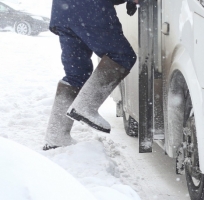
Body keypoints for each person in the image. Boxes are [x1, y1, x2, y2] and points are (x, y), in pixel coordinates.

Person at [43, 0, 138, 150]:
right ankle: (86, 107)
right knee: (123, 56)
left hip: (62, 12)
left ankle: (57, 136)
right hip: (90, 10)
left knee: (76, 74)